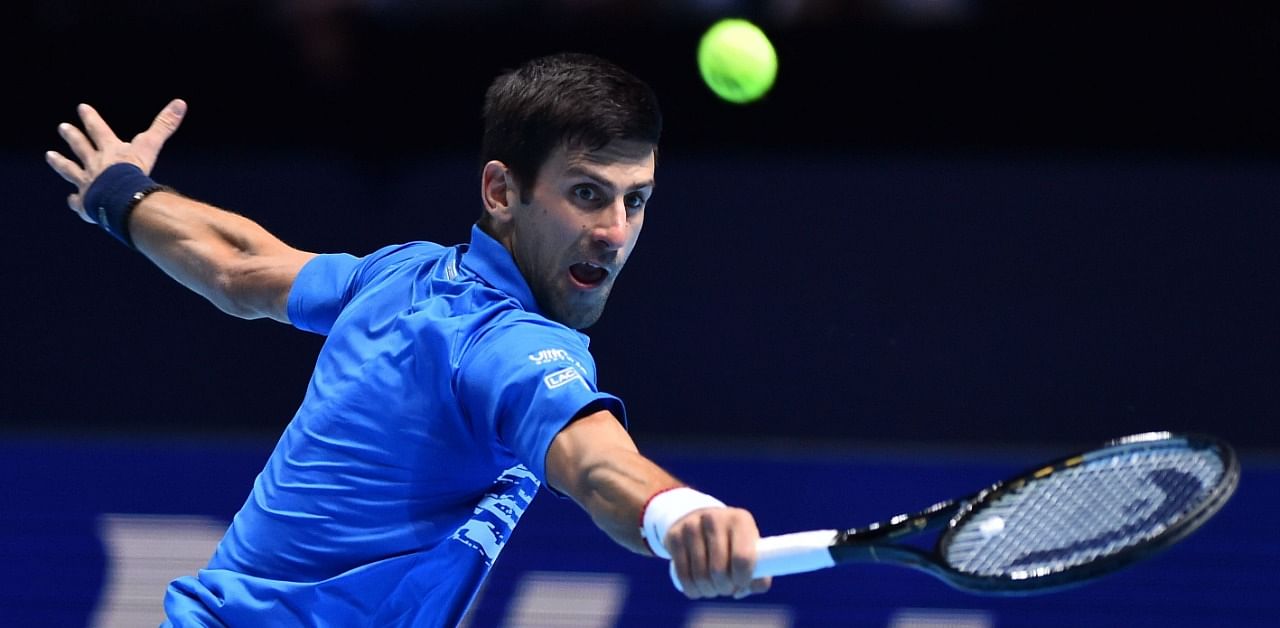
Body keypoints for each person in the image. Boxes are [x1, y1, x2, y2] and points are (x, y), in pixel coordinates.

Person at [46, 52, 769, 625]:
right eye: (586, 193)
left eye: (634, 200)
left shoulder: (403, 275)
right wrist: (679, 512)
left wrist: (120, 195)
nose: (614, 231)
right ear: (500, 191)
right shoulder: (506, 346)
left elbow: (241, 267)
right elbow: (596, 464)